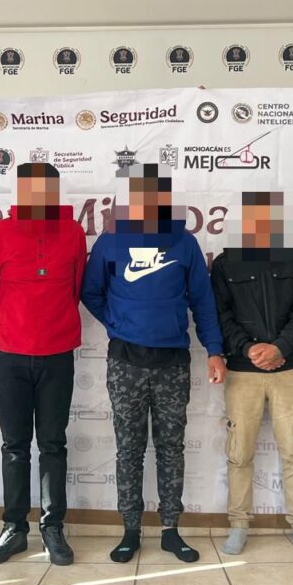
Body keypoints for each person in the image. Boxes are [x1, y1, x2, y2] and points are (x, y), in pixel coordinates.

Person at [82, 162, 226, 563]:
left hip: (172, 362)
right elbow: (91, 292)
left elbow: (203, 301)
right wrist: (118, 323)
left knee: (170, 448)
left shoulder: (185, 243)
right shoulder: (111, 242)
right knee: (129, 449)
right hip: (126, 361)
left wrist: (214, 350)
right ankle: (130, 529)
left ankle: (170, 529)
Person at [0, 162, 87, 566]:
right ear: (20, 192)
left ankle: (52, 526)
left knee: (53, 443)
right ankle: (14, 528)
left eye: (46, 190)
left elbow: (75, 288)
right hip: (10, 354)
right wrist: (18, 323)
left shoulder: (73, 233)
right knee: (15, 445)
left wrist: (47, 323)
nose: (39, 197)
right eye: (31, 190)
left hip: (57, 354)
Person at [211, 191, 293, 555]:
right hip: (242, 371)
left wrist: (279, 348)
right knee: (239, 452)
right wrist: (248, 349)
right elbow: (221, 316)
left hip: (287, 369)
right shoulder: (226, 264)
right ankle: (238, 525)